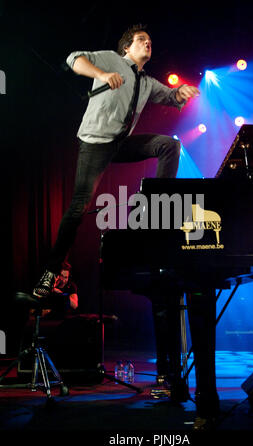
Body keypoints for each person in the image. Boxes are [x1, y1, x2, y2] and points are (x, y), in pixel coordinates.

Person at [32, 24, 199, 299]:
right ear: (126, 47)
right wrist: (102, 74)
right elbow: (74, 59)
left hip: (120, 144)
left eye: (150, 41)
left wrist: (180, 92)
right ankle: (51, 271)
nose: (148, 44)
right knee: (79, 206)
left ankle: (156, 212)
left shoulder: (146, 82)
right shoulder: (112, 59)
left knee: (169, 145)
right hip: (95, 143)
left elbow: (169, 96)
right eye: (142, 40)